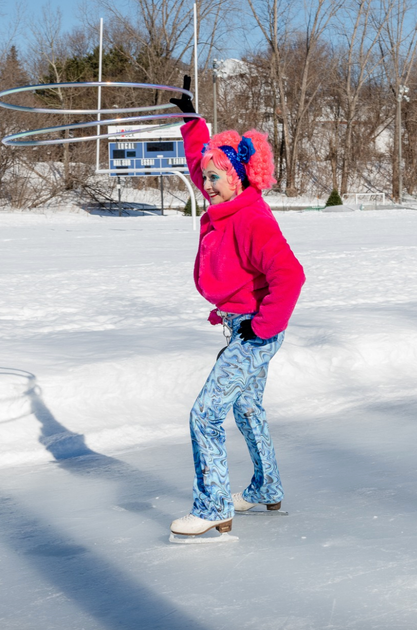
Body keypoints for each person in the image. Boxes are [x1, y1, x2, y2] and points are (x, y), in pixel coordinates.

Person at [168, 78, 305, 537]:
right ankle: (267, 487)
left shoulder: (250, 218)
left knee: (205, 413)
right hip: (242, 324)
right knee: (247, 409)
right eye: (204, 177)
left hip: (254, 330)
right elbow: (198, 160)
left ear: (240, 177)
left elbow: (290, 276)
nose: (205, 185)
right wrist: (192, 123)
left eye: (215, 178)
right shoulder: (225, 204)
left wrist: (262, 330)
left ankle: (213, 507)